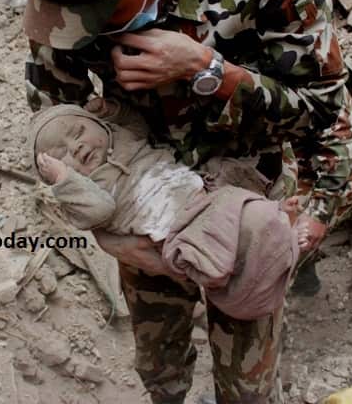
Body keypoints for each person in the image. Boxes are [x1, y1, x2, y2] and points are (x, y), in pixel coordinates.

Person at [19, 0, 352, 401]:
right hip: (140, 197)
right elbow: (53, 119)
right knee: (158, 364)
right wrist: (106, 227)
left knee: (247, 385)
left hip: (247, 200)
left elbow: (323, 112)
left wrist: (208, 72)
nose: (79, 29)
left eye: (98, 15)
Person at [30, 101, 305, 320]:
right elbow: (100, 211)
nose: (76, 147)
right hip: (177, 229)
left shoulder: (121, 137)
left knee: (242, 205)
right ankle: (247, 286)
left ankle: (275, 220)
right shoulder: (88, 189)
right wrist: (66, 181)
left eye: (78, 132)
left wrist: (113, 110)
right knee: (222, 265)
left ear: (100, 124)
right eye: (61, 155)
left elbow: (137, 124)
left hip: (201, 191)